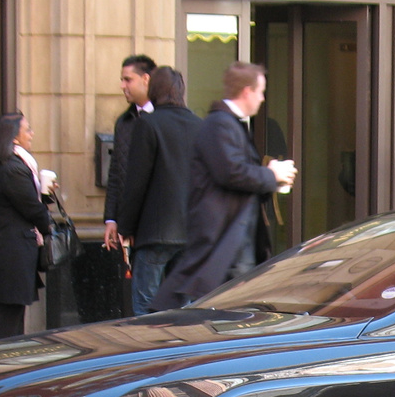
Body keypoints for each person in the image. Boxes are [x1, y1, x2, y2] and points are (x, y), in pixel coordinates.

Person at [152, 62, 297, 310]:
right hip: (223, 240)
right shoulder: (219, 124)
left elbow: (237, 175)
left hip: (233, 241)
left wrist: (270, 178)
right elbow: (232, 173)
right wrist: (271, 175)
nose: (262, 99)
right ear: (247, 91)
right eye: (260, 92)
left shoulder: (229, 124)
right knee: (212, 314)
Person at [113, 66, 201, 314]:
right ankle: (183, 351)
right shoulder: (199, 125)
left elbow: (136, 183)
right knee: (184, 307)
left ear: (153, 91)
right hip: (190, 234)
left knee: (145, 308)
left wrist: (126, 227)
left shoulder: (148, 125)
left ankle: (153, 352)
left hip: (154, 233)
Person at [0, 112, 54, 340]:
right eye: (27, 129)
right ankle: (4, 363)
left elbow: (25, 202)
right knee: (10, 313)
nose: (31, 134)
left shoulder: (6, 166)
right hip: (11, 249)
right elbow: (31, 209)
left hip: (8, 246)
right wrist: (50, 226)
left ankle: (8, 360)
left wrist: (45, 194)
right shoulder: (12, 169)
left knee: (12, 312)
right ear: (14, 137)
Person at [102, 53, 155, 253]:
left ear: (146, 79)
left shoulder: (165, 120)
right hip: (129, 230)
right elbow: (116, 172)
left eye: (128, 80)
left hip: (158, 228)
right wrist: (111, 218)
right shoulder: (124, 123)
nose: (123, 86)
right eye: (122, 80)